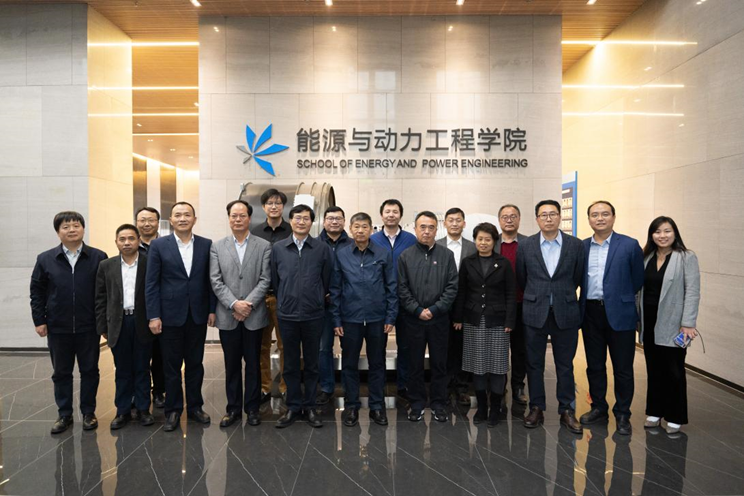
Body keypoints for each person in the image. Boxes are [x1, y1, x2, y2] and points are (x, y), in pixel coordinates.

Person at [30, 211, 107, 434]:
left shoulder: (98, 256)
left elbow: (105, 292)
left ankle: (88, 412)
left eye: (76, 225)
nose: (71, 229)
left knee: (90, 370)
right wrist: (39, 320)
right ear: (58, 232)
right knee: (61, 373)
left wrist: (104, 323)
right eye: (66, 226)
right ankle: (64, 414)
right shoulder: (45, 259)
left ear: (83, 229)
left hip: (88, 326)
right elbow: (37, 292)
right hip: (58, 326)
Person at [145, 201, 216, 432]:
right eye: (178, 215)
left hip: (197, 314)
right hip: (169, 315)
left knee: (195, 364)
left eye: (187, 215)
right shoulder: (158, 245)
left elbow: (210, 280)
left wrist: (212, 309)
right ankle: (173, 410)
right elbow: (151, 283)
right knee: (171, 366)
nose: (183, 218)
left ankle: (195, 407)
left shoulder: (206, 244)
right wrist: (153, 315)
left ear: (194, 219)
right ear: (171, 220)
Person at [516, 200, 585, 433]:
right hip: (535, 311)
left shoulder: (575, 245)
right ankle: (537, 407)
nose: (548, 218)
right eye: (543, 215)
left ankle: (567, 410)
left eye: (552, 214)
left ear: (559, 217)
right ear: (537, 219)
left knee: (565, 364)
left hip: (565, 311)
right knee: (534, 363)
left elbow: (577, 277)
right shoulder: (525, 245)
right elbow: (522, 277)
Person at [579, 201, 644, 436]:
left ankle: (623, 413)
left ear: (614, 217)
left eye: (605, 214)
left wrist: (619, 298)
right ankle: (598, 407)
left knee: (623, 368)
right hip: (590, 313)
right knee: (595, 365)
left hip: (620, 313)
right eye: (595, 215)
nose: (600, 218)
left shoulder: (629, 245)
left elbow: (637, 279)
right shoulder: (582, 247)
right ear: (589, 219)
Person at [330, 212, 398, 427]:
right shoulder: (342, 254)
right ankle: (351, 406)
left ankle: (377, 406)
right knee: (349, 364)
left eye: (364, 227)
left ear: (371, 229)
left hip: (378, 319)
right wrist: (336, 320)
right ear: (350, 229)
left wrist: (390, 316)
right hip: (350, 319)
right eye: (356, 227)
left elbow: (391, 287)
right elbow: (335, 289)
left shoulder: (383, 253)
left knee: (377, 363)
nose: (360, 230)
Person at [271, 205, 334, 428]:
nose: (301, 222)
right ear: (290, 221)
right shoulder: (278, 248)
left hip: (313, 314)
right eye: (297, 218)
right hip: (287, 314)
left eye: (306, 218)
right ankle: (293, 406)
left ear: (311, 222)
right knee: (289, 363)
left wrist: (316, 298)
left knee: (312, 363)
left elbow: (326, 279)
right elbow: (275, 280)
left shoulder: (321, 248)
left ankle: (310, 407)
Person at [210, 200, 271, 428]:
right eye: (233, 216)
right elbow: (215, 280)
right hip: (228, 316)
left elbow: (265, 279)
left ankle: (252, 409)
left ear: (249, 218)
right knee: (232, 365)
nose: (237, 219)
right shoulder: (217, 247)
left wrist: (248, 305)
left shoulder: (264, 246)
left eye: (242, 215)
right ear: (229, 219)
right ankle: (233, 409)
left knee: (254, 364)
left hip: (254, 316)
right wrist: (234, 304)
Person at [639, 216, 700, 434]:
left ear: (675, 233)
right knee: (653, 367)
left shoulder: (686, 257)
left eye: (667, 231)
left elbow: (692, 291)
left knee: (674, 370)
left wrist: (688, 323)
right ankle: (655, 411)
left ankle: (675, 415)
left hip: (674, 322)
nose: (662, 236)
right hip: (649, 321)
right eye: (657, 232)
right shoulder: (646, 257)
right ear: (651, 235)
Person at [397, 211, 459, 422]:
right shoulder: (405, 256)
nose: (426, 231)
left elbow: (452, 287)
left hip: (439, 319)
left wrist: (434, 309)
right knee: (414, 364)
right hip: (413, 320)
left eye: (431, 227)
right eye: (422, 227)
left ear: (436, 229)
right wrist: (417, 310)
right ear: (415, 229)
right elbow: (402, 288)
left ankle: (439, 403)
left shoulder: (446, 255)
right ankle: (416, 403)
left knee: (439, 364)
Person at [453, 222, 516, 427]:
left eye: (487, 239)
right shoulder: (468, 262)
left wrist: (510, 320)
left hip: (498, 321)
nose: (483, 243)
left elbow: (510, 293)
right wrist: (458, 317)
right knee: (477, 366)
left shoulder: (503, 263)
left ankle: (495, 409)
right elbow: (461, 291)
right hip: (473, 319)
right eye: (480, 239)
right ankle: (481, 408)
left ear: (494, 241)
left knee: (497, 367)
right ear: (475, 241)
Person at [95, 224, 155, 429]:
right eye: (122, 239)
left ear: (138, 240)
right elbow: (100, 298)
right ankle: (122, 410)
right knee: (122, 369)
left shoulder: (149, 263)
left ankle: (143, 409)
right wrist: (102, 326)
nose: (127, 243)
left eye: (131, 238)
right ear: (116, 242)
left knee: (142, 367)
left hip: (142, 322)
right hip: (118, 323)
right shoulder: (106, 265)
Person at [370, 199, 417, 399]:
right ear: (381, 215)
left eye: (395, 211)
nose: (391, 215)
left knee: (405, 345)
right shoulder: (372, 239)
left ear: (400, 215)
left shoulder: (411, 239)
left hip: (405, 301)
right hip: (380, 302)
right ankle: (378, 386)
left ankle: (403, 384)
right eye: (387, 211)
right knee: (378, 346)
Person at [251, 188, 292, 403]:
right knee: (261, 345)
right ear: (263, 207)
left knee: (286, 345)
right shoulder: (255, 232)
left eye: (278, 203)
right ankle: (264, 386)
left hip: (284, 297)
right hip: (259, 297)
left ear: (283, 206)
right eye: (270, 203)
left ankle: (285, 386)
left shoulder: (292, 230)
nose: (274, 206)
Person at [436, 207, 477, 407]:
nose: (454, 223)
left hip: (466, 305)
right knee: (442, 347)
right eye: (450, 220)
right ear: (444, 223)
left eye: (458, 220)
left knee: (462, 347)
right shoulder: (436, 245)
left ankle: (461, 387)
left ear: (464, 223)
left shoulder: (473, 247)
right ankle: (443, 387)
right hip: (441, 304)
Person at [317, 206, 352, 406]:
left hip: (347, 305)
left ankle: (349, 387)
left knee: (349, 348)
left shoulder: (353, 244)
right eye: (330, 218)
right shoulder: (314, 244)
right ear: (324, 221)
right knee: (324, 348)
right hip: (322, 306)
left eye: (338, 218)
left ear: (344, 221)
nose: (334, 222)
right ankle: (326, 387)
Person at [495, 204, 529, 406]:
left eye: (513, 216)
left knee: (520, 349)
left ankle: (518, 386)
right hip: (498, 306)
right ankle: (499, 386)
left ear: (519, 219)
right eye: (505, 216)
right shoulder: (491, 242)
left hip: (523, 304)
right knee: (499, 348)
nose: (509, 220)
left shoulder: (528, 243)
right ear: (499, 220)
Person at [135, 206, 165, 409]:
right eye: (142, 220)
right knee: (139, 356)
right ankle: (140, 393)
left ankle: (159, 391)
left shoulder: (166, 245)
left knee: (161, 354)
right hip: (138, 310)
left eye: (151, 220)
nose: (146, 224)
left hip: (162, 309)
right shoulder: (130, 246)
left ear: (158, 222)